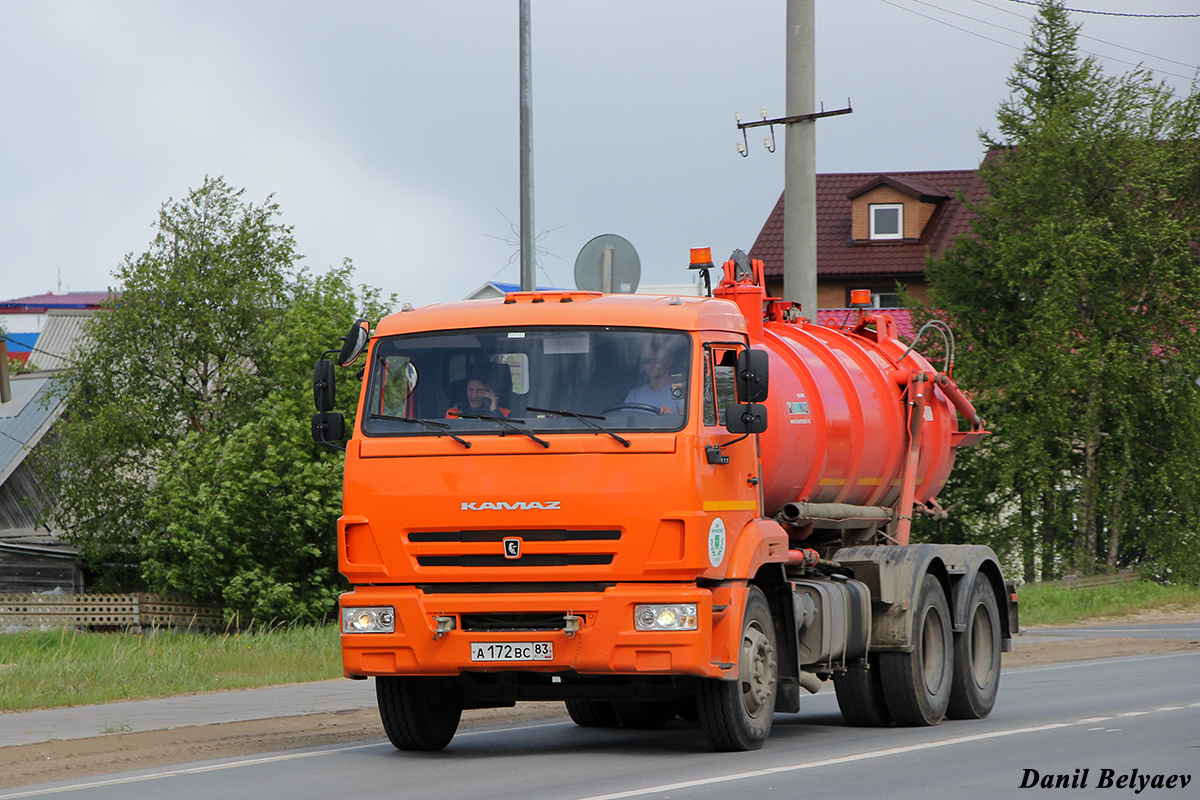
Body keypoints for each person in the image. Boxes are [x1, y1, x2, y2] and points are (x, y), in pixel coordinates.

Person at [623, 344, 684, 415]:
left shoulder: (681, 389)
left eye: (656, 360)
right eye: (647, 360)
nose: (651, 364)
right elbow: (624, 422)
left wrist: (672, 418)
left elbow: (688, 419)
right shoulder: (634, 395)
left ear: (669, 362)